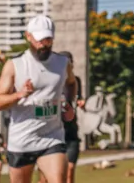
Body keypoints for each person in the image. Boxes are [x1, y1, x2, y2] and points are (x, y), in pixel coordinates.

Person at [0, 15, 78, 183]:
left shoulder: (63, 63)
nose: (43, 44)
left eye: (48, 39)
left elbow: (71, 83)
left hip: (51, 137)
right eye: (39, 39)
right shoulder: (15, 64)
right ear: (28, 36)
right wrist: (19, 94)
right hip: (22, 140)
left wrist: (69, 104)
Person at [38, 51, 85, 183]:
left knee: (69, 173)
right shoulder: (48, 81)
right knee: (45, 178)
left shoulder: (76, 81)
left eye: (70, 64)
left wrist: (80, 102)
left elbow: (76, 98)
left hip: (70, 132)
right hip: (51, 134)